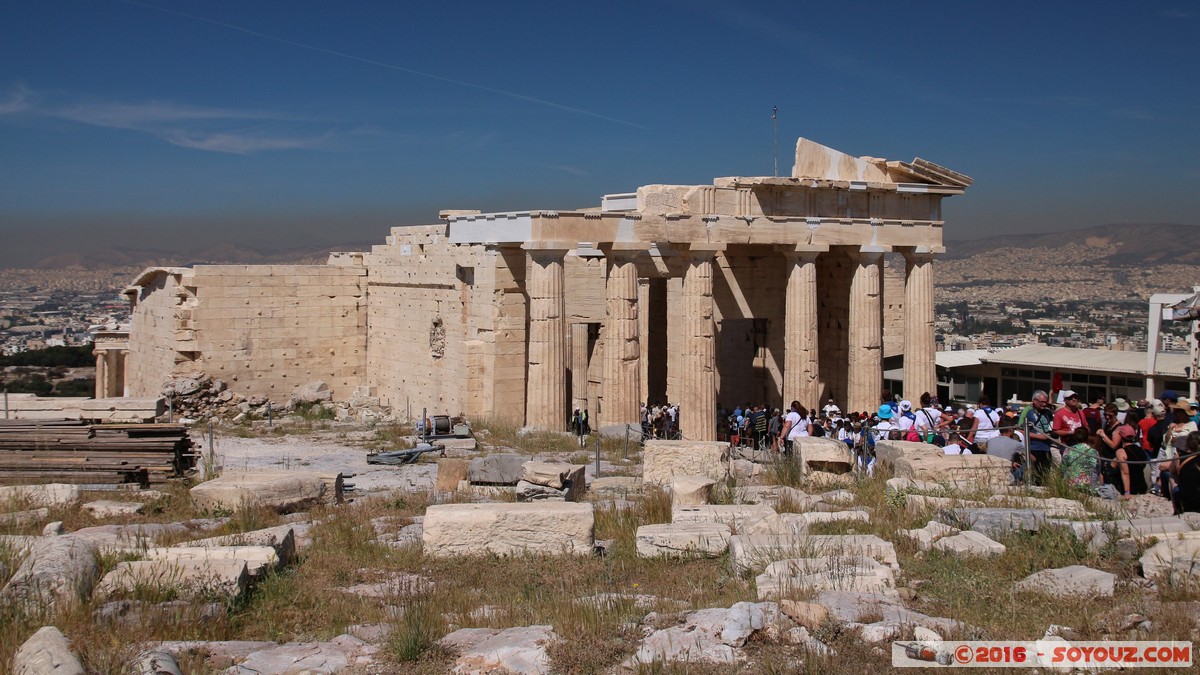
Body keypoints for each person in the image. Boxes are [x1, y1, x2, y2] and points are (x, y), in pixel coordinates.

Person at [1019, 390, 1055, 485]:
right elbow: (1019, 429)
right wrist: (1039, 436)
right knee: (1034, 474)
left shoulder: (1047, 412)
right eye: (1041, 402)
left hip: (1046, 448)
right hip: (1034, 448)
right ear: (1034, 400)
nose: (1044, 404)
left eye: (1045, 402)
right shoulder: (1028, 410)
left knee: (1045, 474)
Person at [1171, 431, 1200, 513]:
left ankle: (1177, 509)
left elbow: (1171, 470)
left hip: (1189, 503)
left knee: (1171, 477)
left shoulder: (1180, 458)